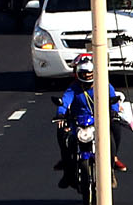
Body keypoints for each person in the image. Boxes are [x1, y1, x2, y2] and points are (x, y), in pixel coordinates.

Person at [51, 52, 128, 183]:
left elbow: (113, 100)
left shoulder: (104, 85)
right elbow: (64, 101)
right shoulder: (73, 88)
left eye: (90, 72)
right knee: (62, 133)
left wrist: (113, 113)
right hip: (78, 121)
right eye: (83, 72)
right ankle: (67, 168)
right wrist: (60, 114)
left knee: (114, 128)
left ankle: (112, 161)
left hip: (100, 120)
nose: (87, 75)